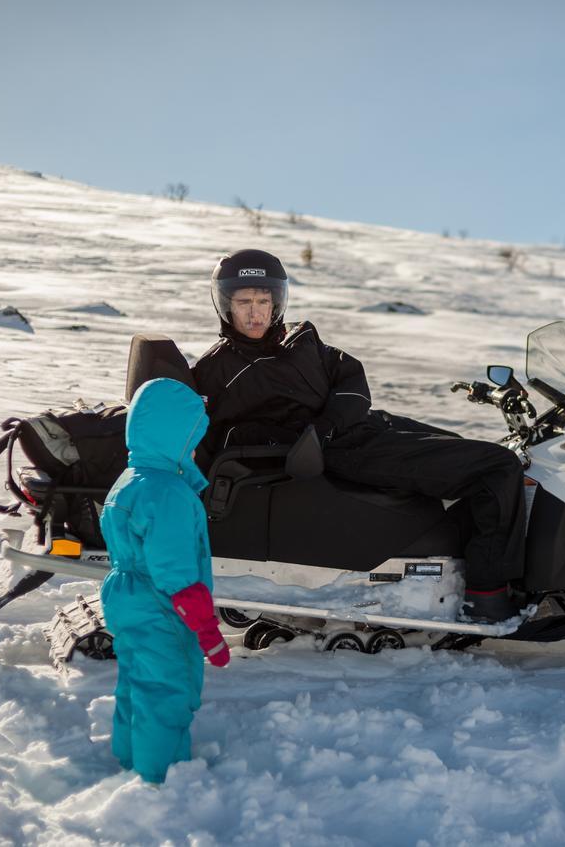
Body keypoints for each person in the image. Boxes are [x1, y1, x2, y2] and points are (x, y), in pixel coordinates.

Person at [191, 249, 526, 622]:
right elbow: (218, 436)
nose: (256, 313)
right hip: (340, 450)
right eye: (244, 302)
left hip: (360, 427)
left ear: (277, 302)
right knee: (497, 467)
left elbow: (350, 378)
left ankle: (457, 559)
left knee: (467, 452)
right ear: (225, 304)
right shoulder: (216, 370)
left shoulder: (300, 340)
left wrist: (328, 421)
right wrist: (300, 438)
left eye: (264, 301)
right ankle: (488, 595)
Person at [99, 377, 231, 784]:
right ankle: (161, 778)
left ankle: (129, 756)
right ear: (173, 436)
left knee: (137, 680)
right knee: (169, 690)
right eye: (192, 438)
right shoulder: (168, 493)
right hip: (161, 603)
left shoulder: (131, 480)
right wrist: (208, 632)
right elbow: (175, 572)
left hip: (126, 595)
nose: (194, 448)